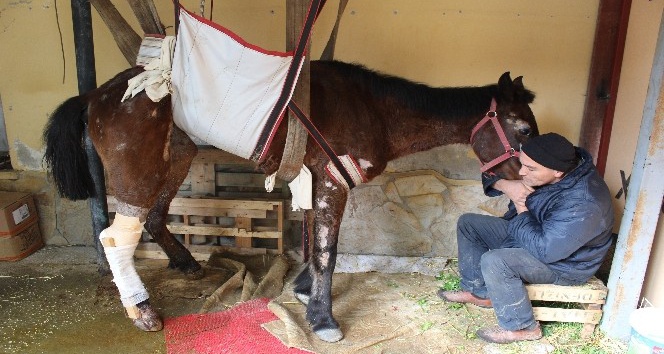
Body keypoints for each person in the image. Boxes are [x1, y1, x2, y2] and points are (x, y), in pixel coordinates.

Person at [439, 133, 615, 344]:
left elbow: (546, 251)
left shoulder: (585, 203)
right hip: (534, 234)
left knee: (496, 261)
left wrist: (522, 207)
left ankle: (523, 327)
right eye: (522, 165)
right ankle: (481, 292)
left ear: (558, 172)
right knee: (469, 223)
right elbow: (492, 172)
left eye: (529, 169)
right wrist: (506, 186)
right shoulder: (547, 161)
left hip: (564, 264)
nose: (522, 172)